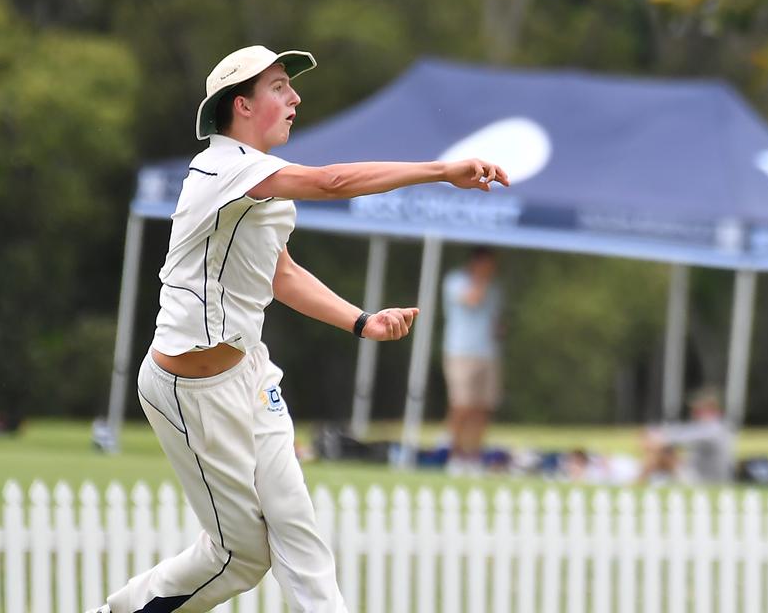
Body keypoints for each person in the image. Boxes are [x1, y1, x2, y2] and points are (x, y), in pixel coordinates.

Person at [90, 45, 508, 613]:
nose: (296, 98)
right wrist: (439, 170)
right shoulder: (222, 167)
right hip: (188, 391)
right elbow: (334, 182)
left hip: (250, 372)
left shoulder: (263, 181)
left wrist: (361, 321)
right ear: (241, 105)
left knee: (297, 529)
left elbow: (280, 273)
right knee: (239, 557)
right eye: (280, 87)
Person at [441, 246, 502, 474]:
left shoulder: (496, 289)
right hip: (460, 352)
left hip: (488, 353)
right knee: (461, 405)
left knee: (483, 407)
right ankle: (454, 456)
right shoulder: (456, 281)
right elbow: (473, 300)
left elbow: (495, 319)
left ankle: (474, 457)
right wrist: (481, 279)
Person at [638, 388, 735, 485]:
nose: (693, 414)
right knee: (663, 452)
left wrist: (657, 438)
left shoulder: (714, 429)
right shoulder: (715, 426)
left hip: (708, 480)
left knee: (662, 455)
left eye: (697, 410)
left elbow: (679, 438)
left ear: (710, 409)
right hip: (700, 474)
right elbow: (682, 431)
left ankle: (636, 484)